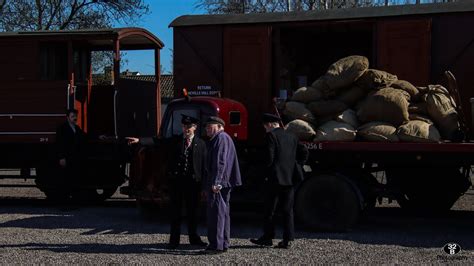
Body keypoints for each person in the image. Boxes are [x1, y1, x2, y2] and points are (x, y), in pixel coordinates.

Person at [127, 115, 208, 249]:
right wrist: (140, 140)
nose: (186, 129)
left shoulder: (201, 144)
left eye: (188, 127)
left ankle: (194, 238)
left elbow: (204, 166)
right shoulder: (175, 141)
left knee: (192, 213)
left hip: (193, 184)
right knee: (175, 213)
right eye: (184, 126)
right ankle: (174, 241)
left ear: (195, 127)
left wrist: (204, 186)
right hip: (177, 183)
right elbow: (158, 141)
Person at [250, 113, 308, 249]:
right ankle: (287, 239)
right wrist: (297, 164)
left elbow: (269, 158)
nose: (265, 129)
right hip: (289, 178)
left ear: (269, 125)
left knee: (270, 210)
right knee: (288, 210)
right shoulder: (292, 136)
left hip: (274, 179)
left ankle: (267, 237)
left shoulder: (271, 136)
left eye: (265, 126)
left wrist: (262, 173)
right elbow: (304, 151)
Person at [203, 116, 242, 254]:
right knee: (223, 213)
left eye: (210, 126)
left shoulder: (220, 138)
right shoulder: (222, 138)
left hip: (220, 182)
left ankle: (216, 245)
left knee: (217, 214)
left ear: (219, 126)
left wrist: (217, 182)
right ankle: (223, 243)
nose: (207, 129)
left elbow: (220, 162)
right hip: (224, 182)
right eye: (206, 126)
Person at [55, 108, 87, 200]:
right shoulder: (62, 128)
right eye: (72, 116)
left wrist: (98, 136)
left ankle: (71, 200)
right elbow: (59, 143)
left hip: (73, 158)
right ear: (68, 117)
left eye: (76, 116)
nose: (75, 118)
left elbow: (85, 136)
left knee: (72, 179)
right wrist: (61, 157)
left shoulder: (76, 128)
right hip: (66, 158)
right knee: (65, 179)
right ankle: (63, 201)